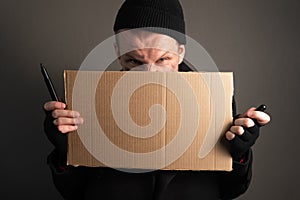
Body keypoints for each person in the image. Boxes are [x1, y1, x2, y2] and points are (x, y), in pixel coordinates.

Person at [43, 0, 271, 199]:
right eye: (134, 61)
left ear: (180, 52)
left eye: (163, 59)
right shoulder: (90, 100)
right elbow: (72, 192)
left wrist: (239, 154)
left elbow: (231, 190)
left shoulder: (212, 98)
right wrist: (65, 150)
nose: (149, 75)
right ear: (117, 52)